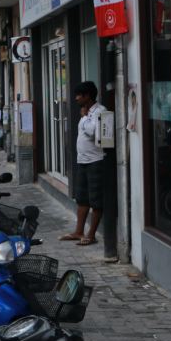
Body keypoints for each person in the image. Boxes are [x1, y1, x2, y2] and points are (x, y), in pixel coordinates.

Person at [61, 82, 107, 246]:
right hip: (83, 161)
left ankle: (91, 235)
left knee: (96, 199)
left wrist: (85, 117)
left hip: (96, 161)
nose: (76, 98)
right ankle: (78, 231)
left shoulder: (99, 111)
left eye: (79, 95)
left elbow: (94, 131)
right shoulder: (86, 113)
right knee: (82, 198)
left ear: (88, 96)